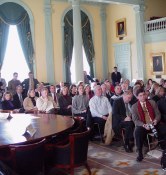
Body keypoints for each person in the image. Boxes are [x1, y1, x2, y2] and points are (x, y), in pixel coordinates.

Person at [131, 88, 162, 162]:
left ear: (145, 95)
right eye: (140, 96)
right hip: (143, 125)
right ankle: (140, 154)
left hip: (154, 123)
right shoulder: (134, 107)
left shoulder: (152, 102)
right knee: (137, 132)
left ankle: (163, 146)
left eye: (144, 95)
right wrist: (144, 125)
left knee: (164, 128)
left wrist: (156, 120)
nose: (142, 97)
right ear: (137, 97)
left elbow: (158, 114)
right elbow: (135, 120)